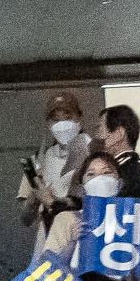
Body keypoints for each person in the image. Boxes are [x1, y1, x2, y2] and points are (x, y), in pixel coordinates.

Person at [20, 91, 94, 228]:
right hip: (50, 239)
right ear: (48, 124)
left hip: (83, 236)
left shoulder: (95, 155)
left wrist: (52, 202)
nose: (62, 124)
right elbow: (26, 219)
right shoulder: (39, 160)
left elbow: (100, 203)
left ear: (79, 119)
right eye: (56, 119)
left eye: (68, 117)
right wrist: (35, 195)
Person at [99, 103, 140, 199]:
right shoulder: (134, 172)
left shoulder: (127, 175)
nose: (98, 137)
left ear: (119, 134)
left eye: (101, 129)